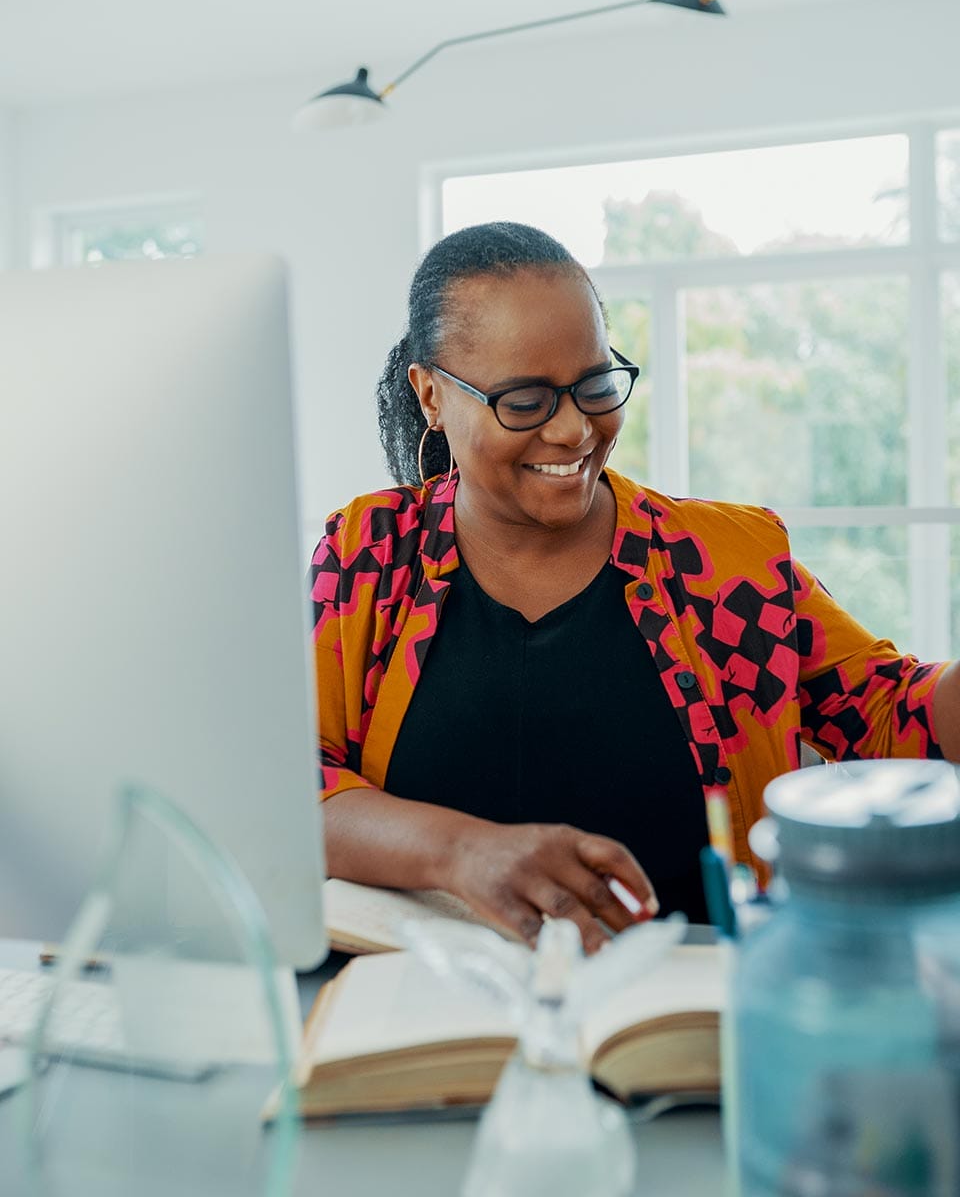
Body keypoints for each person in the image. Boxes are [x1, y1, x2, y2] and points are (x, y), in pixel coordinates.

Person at [311, 221, 960, 953]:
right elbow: (292, 786)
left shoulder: (730, 565)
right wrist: (463, 851)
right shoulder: (369, 556)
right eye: (524, 401)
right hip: (423, 1017)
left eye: (594, 386)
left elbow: (891, 715)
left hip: (680, 1017)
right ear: (431, 395)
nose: (572, 431)